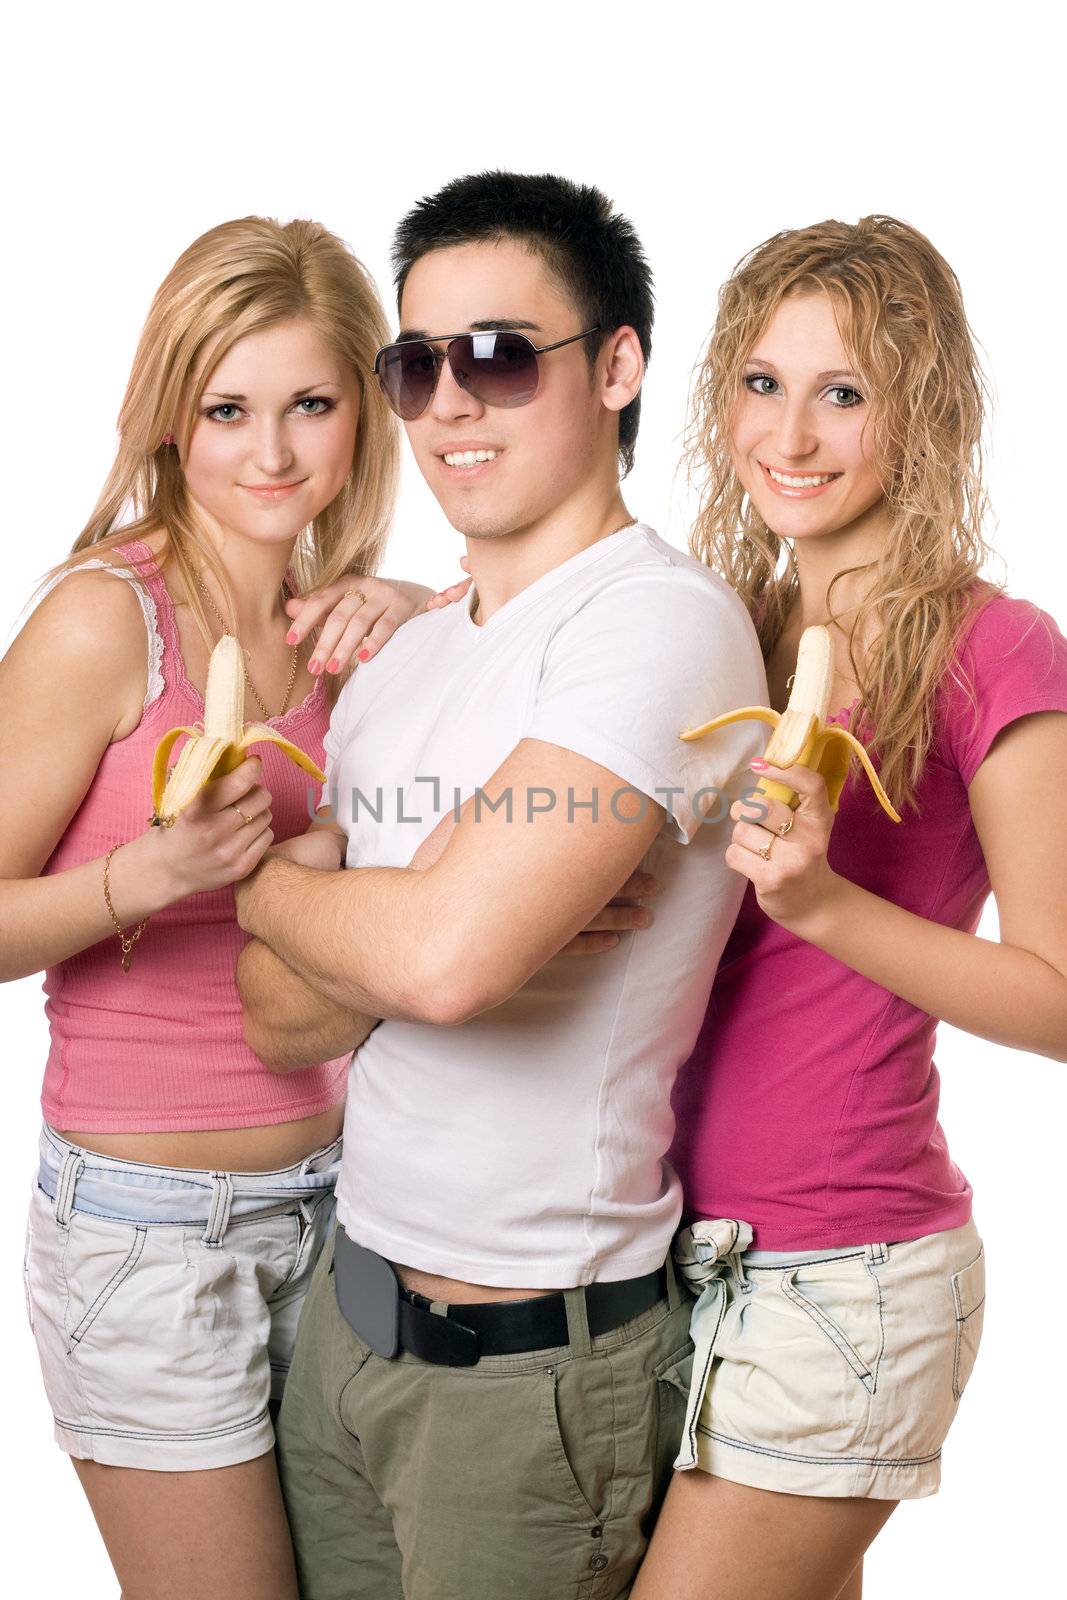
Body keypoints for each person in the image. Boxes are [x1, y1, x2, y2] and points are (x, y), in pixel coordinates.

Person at [233, 169, 768, 1599]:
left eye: (497, 357)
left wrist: (304, 896)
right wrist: (381, 917)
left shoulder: (660, 627)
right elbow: (280, 1017)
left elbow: (445, 963)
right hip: (343, 1338)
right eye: (415, 367)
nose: (449, 407)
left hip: (531, 1380)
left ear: (616, 365)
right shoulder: (399, 660)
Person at [5, 213, 480, 1600]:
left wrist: (423, 608)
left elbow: (544, 654)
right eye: (228, 410)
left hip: (345, 1204)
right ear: (169, 419)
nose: (271, 454)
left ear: (362, 418)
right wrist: (132, 882)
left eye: (311, 406)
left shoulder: (343, 634)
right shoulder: (108, 621)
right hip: (147, 1235)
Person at [628, 216, 1067, 1600]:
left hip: (843, 1272)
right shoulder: (720, 627)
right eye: (763, 384)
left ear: (921, 414)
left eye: (845, 392)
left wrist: (823, 904)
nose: (793, 436)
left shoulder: (995, 646)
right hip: (663, 1249)